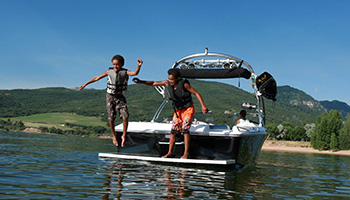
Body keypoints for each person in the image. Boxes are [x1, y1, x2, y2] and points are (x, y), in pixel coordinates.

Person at [132, 68, 208, 159]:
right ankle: (170, 153)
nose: (170, 81)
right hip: (178, 110)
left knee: (185, 129)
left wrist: (203, 106)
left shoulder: (185, 84)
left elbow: (196, 93)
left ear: (177, 78)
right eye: (169, 79)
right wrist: (141, 81)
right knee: (173, 131)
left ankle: (186, 153)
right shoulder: (167, 83)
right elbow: (153, 83)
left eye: (172, 79)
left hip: (188, 109)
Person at [80, 55, 143, 147]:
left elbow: (135, 73)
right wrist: (85, 84)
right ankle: (114, 136)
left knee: (125, 116)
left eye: (117, 65)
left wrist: (139, 66)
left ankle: (124, 135)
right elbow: (97, 78)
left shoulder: (125, 72)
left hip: (120, 97)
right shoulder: (109, 72)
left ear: (122, 64)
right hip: (110, 97)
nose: (115, 67)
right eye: (114, 64)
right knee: (111, 118)